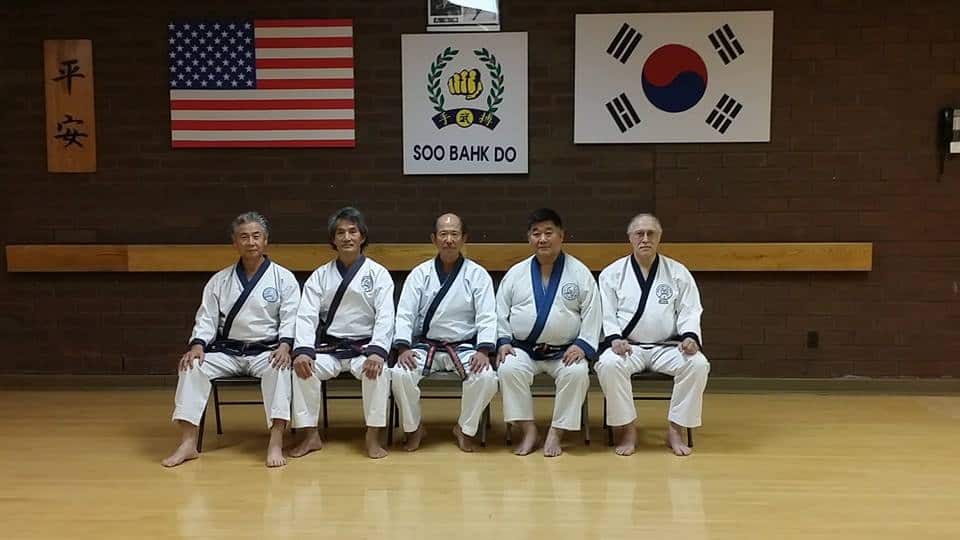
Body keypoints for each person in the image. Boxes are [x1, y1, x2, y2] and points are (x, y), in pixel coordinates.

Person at [163, 212, 300, 468]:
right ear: (235, 243)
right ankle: (188, 442)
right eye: (244, 237)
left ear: (266, 240)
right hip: (228, 351)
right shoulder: (220, 280)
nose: (251, 242)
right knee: (191, 366)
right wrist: (197, 346)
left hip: (266, 351)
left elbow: (290, 317)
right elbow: (206, 318)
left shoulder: (283, 278)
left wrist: (285, 346)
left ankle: (275, 441)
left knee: (280, 368)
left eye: (256, 236)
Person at [595, 214, 710, 457]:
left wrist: (690, 337)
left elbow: (690, 310)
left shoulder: (677, 272)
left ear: (659, 237)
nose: (645, 239)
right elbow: (605, 312)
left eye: (651, 234)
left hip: (667, 347)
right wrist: (614, 338)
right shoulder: (612, 274)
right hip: (628, 348)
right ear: (630, 238)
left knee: (698, 364)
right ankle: (627, 429)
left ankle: (676, 429)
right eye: (639, 234)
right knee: (608, 364)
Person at [289, 207, 395, 459]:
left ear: (362, 236)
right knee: (302, 369)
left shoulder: (378, 274)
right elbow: (306, 315)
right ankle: (310, 435)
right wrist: (303, 350)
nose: (347, 237)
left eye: (352, 231)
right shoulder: (320, 276)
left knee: (378, 371)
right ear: (333, 240)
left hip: (364, 349)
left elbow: (386, 316)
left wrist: (378, 351)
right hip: (331, 349)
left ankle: (373, 436)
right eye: (340, 233)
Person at [496, 208, 601, 457]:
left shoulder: (579, 273)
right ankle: (528, 429)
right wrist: (503, 341)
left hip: (565, 351)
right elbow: (500, 312)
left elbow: (593, 312)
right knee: (508, 368)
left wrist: (583, 345)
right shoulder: (516, 273)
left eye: (548, 232)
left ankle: (557, 431)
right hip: (524, 349)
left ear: (561, 236)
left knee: (577, 373)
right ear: (529, 238)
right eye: (536, 233)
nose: (542, 239)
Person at [390, 213, 498, 452]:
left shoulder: (477, 274)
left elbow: (487, 315)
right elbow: (405, 313)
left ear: (464, 238)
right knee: (399, 374)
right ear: (434, 239)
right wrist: (403, 347)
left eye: (454, 234)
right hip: (426, 345)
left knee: (487, 378)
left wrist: (483, 350)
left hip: (464, 347)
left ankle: (465, 429)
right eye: (443, 234)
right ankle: (414, 428)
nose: (449, 240)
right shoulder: (420, 274)